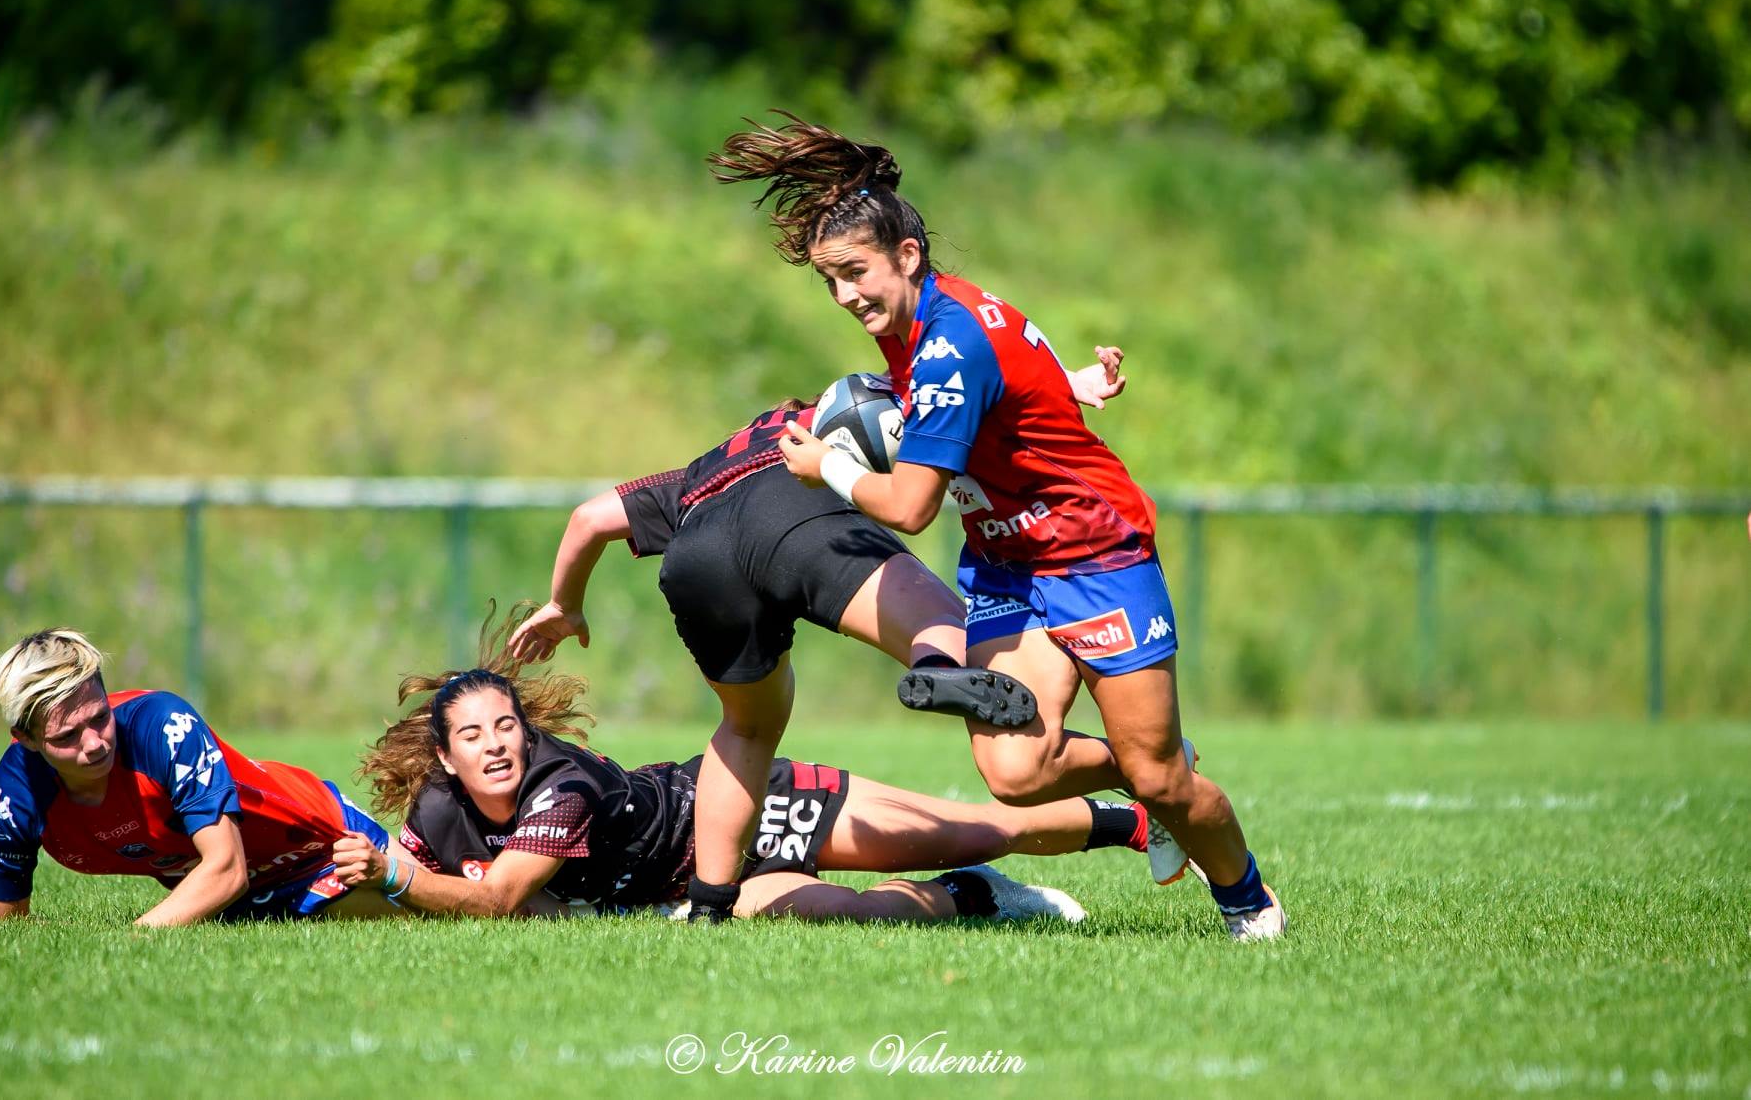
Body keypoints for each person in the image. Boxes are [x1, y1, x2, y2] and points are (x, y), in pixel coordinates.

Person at [710, 114, 1285, 941]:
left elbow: (909, 506)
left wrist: (827, 467)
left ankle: (1248, 902)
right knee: (1015, 769)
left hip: (1093, 552)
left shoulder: (947, 348)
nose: (844, 296)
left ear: (907, 256)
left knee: (1163, 778)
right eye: (829, 280)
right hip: (1006, 562)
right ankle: (1145, 772)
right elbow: (1016, 367)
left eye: (855, 273)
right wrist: (1067, 387)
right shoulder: (932, 322)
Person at [501, 387, 1186, 924]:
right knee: (943, 617)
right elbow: (963, 390)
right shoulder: (811, 423)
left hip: (695, 553)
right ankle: (938, 669)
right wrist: (1066, 386)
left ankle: (709, 903)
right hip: (795, 510)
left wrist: (565, 604)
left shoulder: (693, 474)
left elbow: (589, 518)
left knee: (745, 728)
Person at [332, 610, 1169, 924]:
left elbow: (501, 897)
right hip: (690, 885)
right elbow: (421, 892)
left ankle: (1137, 813)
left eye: (506, 725)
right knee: (847, 913)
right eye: (473, 736)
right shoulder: (437, 813)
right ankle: (977, 894)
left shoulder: (563, 783)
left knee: (989, 821)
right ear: (443, 755)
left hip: (741, 803)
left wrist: (397, 879)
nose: (495, 744)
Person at [0, 628, 396, 925]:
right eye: (66, 736)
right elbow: (10, 932)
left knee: (441, 909)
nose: (95, 743)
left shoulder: (163, 728)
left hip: (323, 842)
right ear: (25, 739)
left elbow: (227, 869)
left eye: (100, 717)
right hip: (233, 904)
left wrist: (131, 942)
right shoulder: (12, 800)